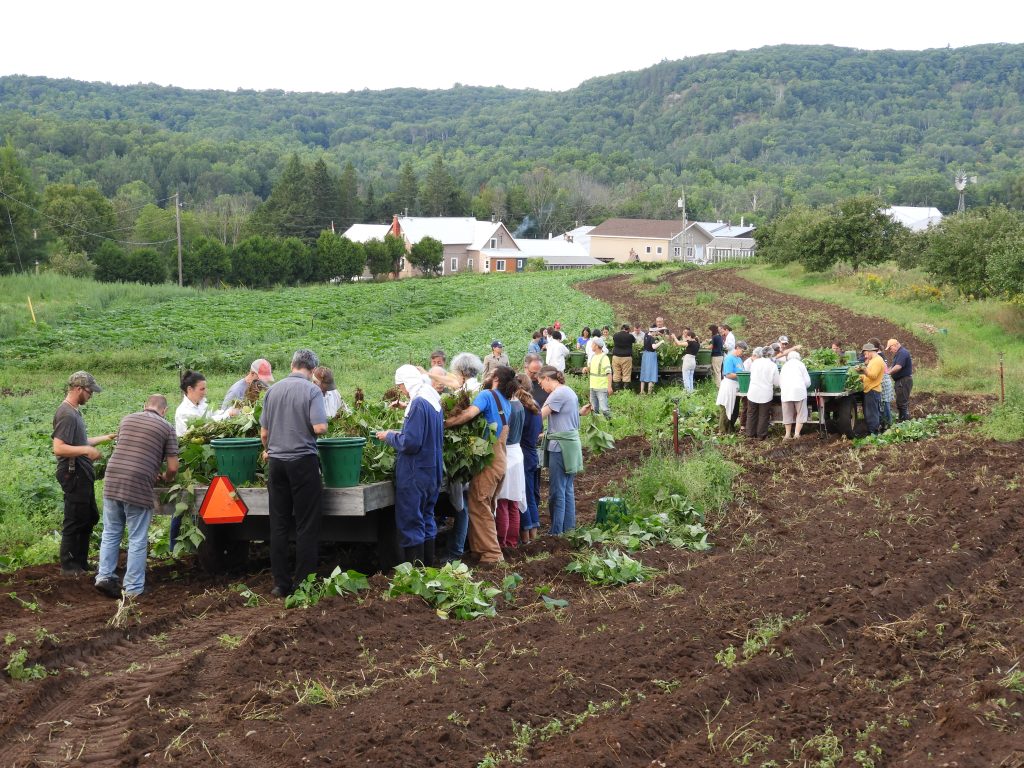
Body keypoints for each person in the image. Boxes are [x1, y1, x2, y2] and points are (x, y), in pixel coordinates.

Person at [94, 395, 178, 598]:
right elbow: (173, 467)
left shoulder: (126, 419)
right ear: (164, 410)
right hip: (138, 484)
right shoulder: (167, 428)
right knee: (137, 538)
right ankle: (133, 588)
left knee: (111, 531)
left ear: (144, 406)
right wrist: (165, 477)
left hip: (113, 479)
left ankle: (104, 577)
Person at [260, 349, 328, 598]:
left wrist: (268, 451)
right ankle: (303, 583)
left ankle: (280, 583)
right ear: (312, 370)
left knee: (278, 524)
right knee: (306, 524)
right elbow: (320, 427)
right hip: (302, 462)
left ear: (292, 365)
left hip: (276, 463)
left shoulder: (272, 391)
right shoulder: (312, 391)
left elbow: (264, 433)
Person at [443, 366, 519, 565]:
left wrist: (444, 422)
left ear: (495, 378)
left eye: (490, 372)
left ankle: (492, 554)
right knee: (483, 504)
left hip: (489, 460)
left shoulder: (487, 394)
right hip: (500, 459)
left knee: (480, 504)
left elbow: (468, 415)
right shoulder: (506, 402)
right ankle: (479, 550)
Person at [377, 365, 444, 567]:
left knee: (411, 521)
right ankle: (429, 569)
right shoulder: (434, 401)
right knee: (427, 518)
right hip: (432, 469)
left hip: (415, 472)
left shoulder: (417, 404)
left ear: (406, 383)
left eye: (401, 387)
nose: (402, 391)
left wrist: (388, 435)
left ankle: (415, 574)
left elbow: (411, 443)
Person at [52, 371, 116, 576]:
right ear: (78, 389)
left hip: (82, 472)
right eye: (89, 391)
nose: (91, 395)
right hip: (73, 472)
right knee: (75, 518)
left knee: (88, 517)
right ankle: (69, 566)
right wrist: (86, 451)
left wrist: (105, 438)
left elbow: (79, 442)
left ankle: (81, 563)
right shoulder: (66, 414)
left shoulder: (75, 412)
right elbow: (59, 448)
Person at [428, 352, 485, 561]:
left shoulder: (469, 389)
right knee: (463, 503)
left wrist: (443, 423)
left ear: (461, 372)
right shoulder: (474, 386)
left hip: (464, 453)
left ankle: (457, 550)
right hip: (470, 451)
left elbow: (461, 416)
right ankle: (461, 546)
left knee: (461, 504)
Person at [538, 367, 582, 535]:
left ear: (547, 379)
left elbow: (538, 416)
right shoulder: (568, 391)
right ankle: (568, 528)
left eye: (541, 382)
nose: (541, 386)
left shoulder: (557, 394)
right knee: (567, 488)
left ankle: (556, 531)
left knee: (557, 490)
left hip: (560, 447)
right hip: (570, 445)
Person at [495, 378, 528, 551]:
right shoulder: (520, 405)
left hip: (506, 454)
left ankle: (502, 542)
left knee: (502, 502)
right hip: (517, 453)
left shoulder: (507, 407)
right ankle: (512, 541)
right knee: (513, 502)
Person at [516, 374, 543, 545]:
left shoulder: (519, 407)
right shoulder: (535, 404)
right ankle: (534, 532)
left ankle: (525, 534)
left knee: (523, 496)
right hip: (533, 453)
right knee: (531, 494)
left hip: (522, 455)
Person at [175, 370, 237, 437]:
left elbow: (218, 414)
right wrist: (227, 414)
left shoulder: (202, 405)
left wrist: (231, 410)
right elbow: (203, 428)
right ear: (190, 389)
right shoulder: (183, 412)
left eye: (205, 388)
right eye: (202, 389)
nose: (205, 392)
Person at [746, 347, 779, 439]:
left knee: (751, 413)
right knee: (763, 415)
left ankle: (750, 434)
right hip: (765, 393)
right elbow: (776, 382)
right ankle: (761, 435)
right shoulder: (773, 365)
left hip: (753, 391)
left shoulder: (755, 363)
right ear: (771, 354)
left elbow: (751, 375)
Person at [779, 351, 811, 439]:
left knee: (787, 413)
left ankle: (787, 434)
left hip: (786, 392)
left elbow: (780, 381)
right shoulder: (801, 364)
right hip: (799, 391)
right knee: (800, 413)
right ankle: (796, 434)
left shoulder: (784, 366)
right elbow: (807, 381)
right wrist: (805, 386)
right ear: (798, 357)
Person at [716, 342, 747, 433]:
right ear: (737, 348)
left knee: (735, 409)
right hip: (729, 386)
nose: (743, 353)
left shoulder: (739, 359)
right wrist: (740, 375)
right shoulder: (729, 358)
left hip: (736, 387)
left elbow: (742, 371)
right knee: (726, 408)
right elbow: (728, 374)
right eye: (742, 350)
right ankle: (722, 430)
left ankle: (730, 428)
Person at [858, 343, 885, 435]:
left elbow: (873, 376)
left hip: (872, 390)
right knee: (873, 412)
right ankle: (876, 430)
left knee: (871, 413)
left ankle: (873, 433)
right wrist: (861, 377)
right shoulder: (873, 360)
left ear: (870, 352)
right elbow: (869, 375)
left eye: (865, 354)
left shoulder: (877, 361)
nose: (865, 356)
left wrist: (864, 370)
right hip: (871, 389)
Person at [585, 337, 613, 418]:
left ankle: (610, 423)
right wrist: (586, 369)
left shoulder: (604, 358)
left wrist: (609, 387)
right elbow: (591, 368)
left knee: (604, 409)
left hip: (601, 387)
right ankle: (596, 425)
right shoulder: (593, 356)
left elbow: (609, 373)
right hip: (593, 387)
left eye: (593, 344)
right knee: (594, 409)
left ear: (597, 346)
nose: (591, 346)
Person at [886, 338, 913, 421]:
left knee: (902, 403)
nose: (890, 351)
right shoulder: (899, 354)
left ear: (894, 345)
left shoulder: (902, 353)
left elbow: (898, 367)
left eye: (890, 348)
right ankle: (903, 420)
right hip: (901, 381)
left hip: (903, 381)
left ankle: (903, 421)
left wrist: (888, 373)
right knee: (901, 402)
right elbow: (894, 366)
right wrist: (886, 371)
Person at [639, 325, 664, 395]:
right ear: (653, 331)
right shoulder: (651, 338)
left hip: (645, 355)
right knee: (652, 372)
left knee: (644, 372)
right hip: (651, 356)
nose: (656, 333)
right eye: (655, 332)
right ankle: (649, 392)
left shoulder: (646, 335)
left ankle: (642, 391)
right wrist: (661, 342)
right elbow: (654, 347)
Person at [611, 324, 636, 391]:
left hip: (616, 357)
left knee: (616, 373)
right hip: (626, 357)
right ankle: (625, 391)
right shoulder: (630, 336)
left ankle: (617, 390)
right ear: (627, 330)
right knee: (626, 374)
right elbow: (634, 341)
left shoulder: (615, 335)